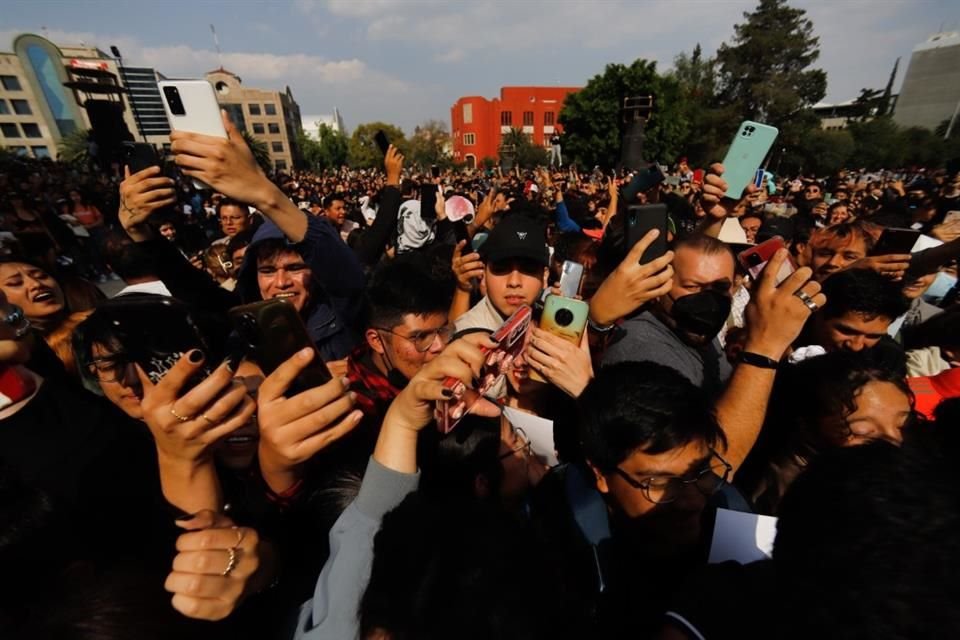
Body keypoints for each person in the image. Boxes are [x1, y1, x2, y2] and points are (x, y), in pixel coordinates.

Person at [736, 348, 914, 514]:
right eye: (863, 432)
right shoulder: (784, 498)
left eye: (903, 426)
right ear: (806, 428)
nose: (893, 440)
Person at [601, 233, 736, 392]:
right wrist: (760, 349)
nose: (710, 302)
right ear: (659, 284)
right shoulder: (642, 349)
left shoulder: (698, 329)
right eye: (692, 287)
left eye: (721, 288)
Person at [454, 212, 549, 334]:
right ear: (483, 275)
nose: (514, 282)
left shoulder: (553, 326)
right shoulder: (467, 336)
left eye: (528, 269)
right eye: (501, 268)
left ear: (545, 276)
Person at [795, 268, 909, 355]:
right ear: (817, 314)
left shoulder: (888, 360)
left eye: (873, 336)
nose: (856, 346)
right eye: (847, 331)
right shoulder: (782, 344)